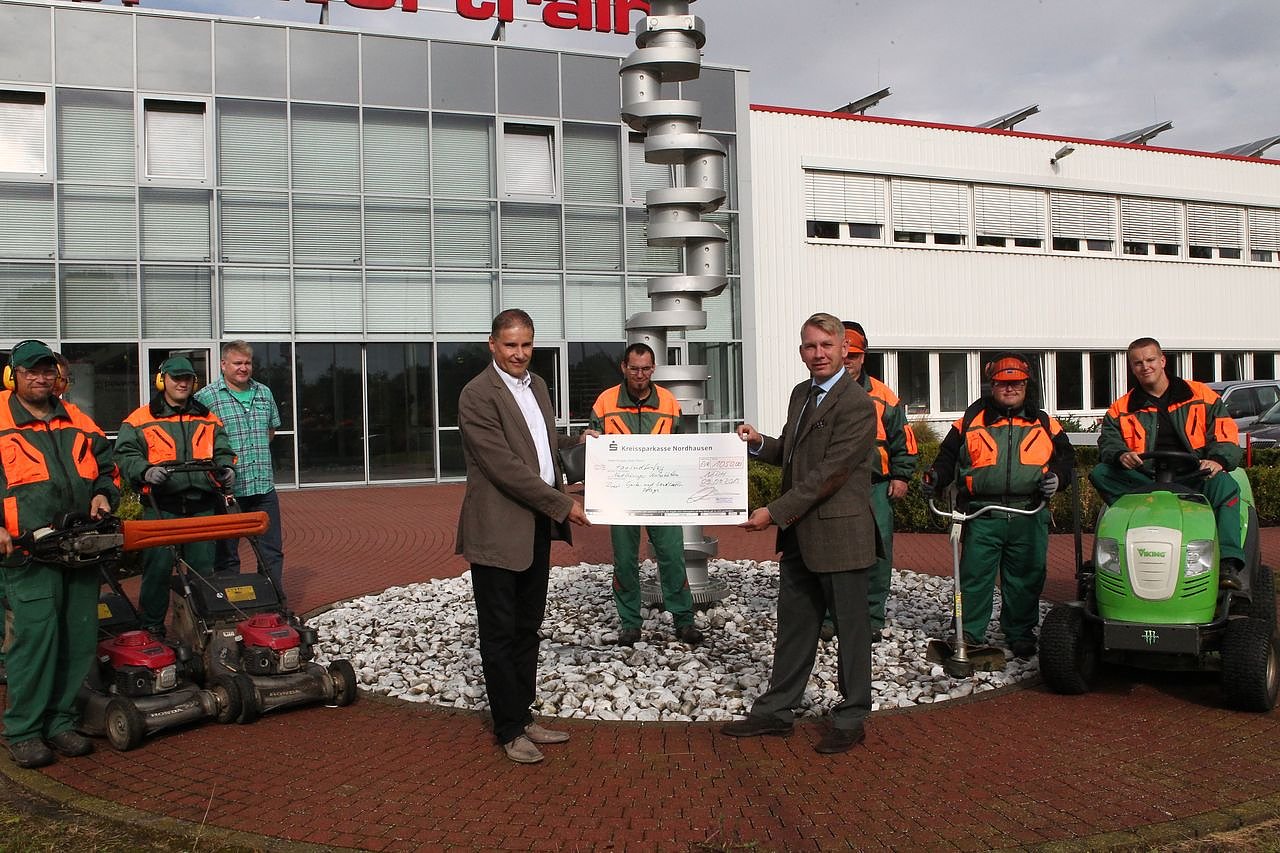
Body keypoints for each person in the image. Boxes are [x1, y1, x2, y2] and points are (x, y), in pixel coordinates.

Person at [720, 312, 878, 754]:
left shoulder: (856, 404)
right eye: (810, 346)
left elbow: (830, 474)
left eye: (826, 345)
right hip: (801, 537)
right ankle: (777, 710)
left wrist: (773, 512)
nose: (818, 354)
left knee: (851, 632)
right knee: (794, 627)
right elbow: (792, 454)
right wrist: (758, 443)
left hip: (842, 537)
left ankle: (851, 716)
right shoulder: (800, 393)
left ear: (844, 349)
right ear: (801, 351)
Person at [456, 309, 591, 764]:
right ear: (492, 344)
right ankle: (509, 729)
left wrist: (577, 448)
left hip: (535, 526)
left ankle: (523, 713)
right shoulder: (477, 394)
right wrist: (562, 505)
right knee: (499, 632)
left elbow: (539, 449)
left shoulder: (538, 386)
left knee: (527, 627)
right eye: (511, 344)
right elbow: (504, 467)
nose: (519, 353)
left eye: (526, 344)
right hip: (497, 530)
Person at [0, 339, 117, 768]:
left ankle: (60, 722)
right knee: (35, 642)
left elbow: (107, 468)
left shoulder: (77, 420)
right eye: (30, 371)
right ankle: (24, 731)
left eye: (47, 370)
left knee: (79, 639)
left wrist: (103, 495)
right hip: (28, 554)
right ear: (13, 376)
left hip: (79, 547)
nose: (40, 378)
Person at [922, 353, 1075, 659]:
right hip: (982, 513)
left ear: (1026, 385)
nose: (1010, 389)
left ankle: (1020, 633)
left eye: (1016, 383)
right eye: (1003, 383)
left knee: (1026, 576)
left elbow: (1067, 459)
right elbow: (947, 457)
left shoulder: (1044, 422)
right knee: (974, 575)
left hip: (1028, 512)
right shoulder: (971, 420)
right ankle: (968, 633)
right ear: (991, 385)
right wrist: (936, 477)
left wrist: (1058, 478)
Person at [1090, 337, 1245, 589]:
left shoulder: (1201, 396)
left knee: (1226, 487)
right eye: (1138, 363)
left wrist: (1217, 459)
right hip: (1146, 481)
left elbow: (1225, 434)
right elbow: (1108, 441)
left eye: (1150, 360)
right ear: (1132, 367)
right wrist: (1120, 454)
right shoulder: (1121, 408)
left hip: (1194, 476)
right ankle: (1135, 526)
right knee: (1101, 473)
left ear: (1162, 361)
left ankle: (1228, 562)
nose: (1145, 366)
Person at [586, 343, 702, 647]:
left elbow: (680, 446)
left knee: (672, 557)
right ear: (623, 367)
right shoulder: (605, 402)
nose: (640, 375)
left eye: (646, 369)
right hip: (621, 497)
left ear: (654, 369)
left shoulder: (668, 402)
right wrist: (588, 441)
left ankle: (684, 621)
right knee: (625, 561)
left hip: (662, 495)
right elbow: (593, 447)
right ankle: (630, 624)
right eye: (634, 368)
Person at [115, 356, 236, 635]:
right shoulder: (139, 420)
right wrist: (145, 471)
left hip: (201, 506)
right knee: (157, 570)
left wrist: (227, 468)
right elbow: (125, 455)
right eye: (176, 378)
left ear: (194, 382)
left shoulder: (207, 418)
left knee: (203, 572)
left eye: (187, 379)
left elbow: (223, 449)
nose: (182, 383)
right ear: (162, 381)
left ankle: (200, 627)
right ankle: (152, 627)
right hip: (161, 506)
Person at [835, 321, 917, 637]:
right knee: (831, 554)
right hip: (833, 489)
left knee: (878, 555)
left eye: (854, 355)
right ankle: (830, 618)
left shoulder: (883, 395)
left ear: (864, 355)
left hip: (875, 488)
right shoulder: (818, 392)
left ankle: (871, 619)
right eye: (844, 354)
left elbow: (903, 440)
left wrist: (901, 476)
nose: (848, 361)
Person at [194, 341, 284, 595]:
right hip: (228, 491)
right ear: (223, 365)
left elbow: (270, 430)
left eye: (247, 363)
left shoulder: (264, 392)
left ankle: (272, 599)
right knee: (227, 555)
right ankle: (231, 605)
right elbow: (198, 440)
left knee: (271, 552)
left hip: (263, 487)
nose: (243, 368)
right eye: (237, 363)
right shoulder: (207, 397)